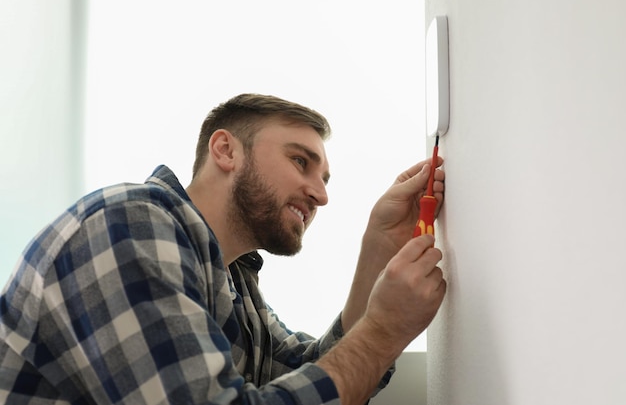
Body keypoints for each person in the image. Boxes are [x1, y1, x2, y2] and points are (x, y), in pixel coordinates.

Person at [0, 93, 446, 405]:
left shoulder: (231, 276)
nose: (320, 194)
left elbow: (304, 374)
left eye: (325, 179)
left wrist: (378, 248)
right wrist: (385, 329)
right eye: (300, 161)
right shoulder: (130, 228)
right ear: (225, 150)